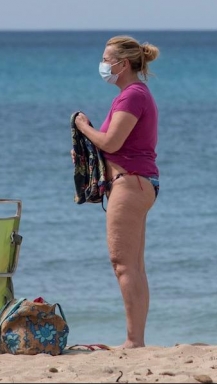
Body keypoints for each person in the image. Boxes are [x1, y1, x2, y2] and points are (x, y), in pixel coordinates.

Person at [73, 35, 160, 348]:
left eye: (106, 59)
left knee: (122, 263)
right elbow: (114, 145)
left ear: (123, 64)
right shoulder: (134, 94)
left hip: (131, 182)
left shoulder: (131, 96)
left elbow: (111, 142)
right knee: (133, 265)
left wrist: (83, 126)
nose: (103, 64)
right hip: (137, 181)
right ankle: (136, 339)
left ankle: (133, 341)